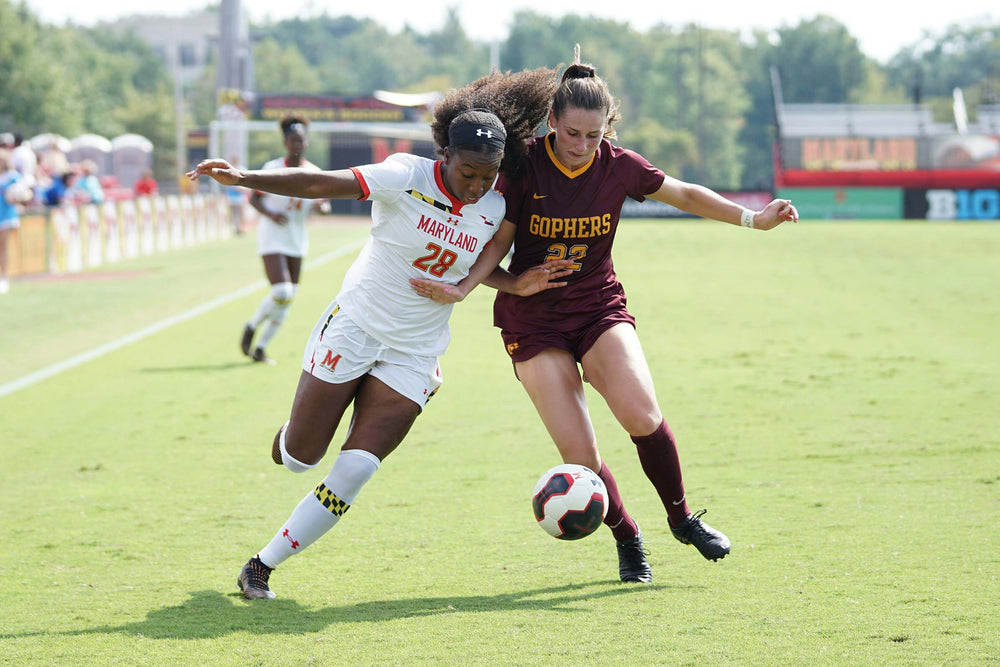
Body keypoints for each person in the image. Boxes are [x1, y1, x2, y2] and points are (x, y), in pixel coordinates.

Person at [411, 53, 798, 583]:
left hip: (597, 308)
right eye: (573, 133)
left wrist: (753, 218)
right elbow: (496, 242)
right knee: (581, 453)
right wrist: (467, 287)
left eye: (594, 136)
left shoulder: (619, 165)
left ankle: (683, 520)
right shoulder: (523, 165)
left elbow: (682, 193)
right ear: (552, 122)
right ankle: (627, 535)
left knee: (642, 414)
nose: (583, 145)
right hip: (533, 322)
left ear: (607, 129)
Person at [186, 67, 566, 600]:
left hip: (415, 353)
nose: (478, 185)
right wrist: (244, 177)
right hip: (356, 329)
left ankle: (261, 566)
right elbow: (324, 183)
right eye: (469, 173)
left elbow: (473, 264)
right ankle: (295, 429)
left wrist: (515, 284)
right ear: (445, 157)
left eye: (489, 174)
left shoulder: (497, 206)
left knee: (358, 466)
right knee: (300, 456)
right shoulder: (404, 175)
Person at [239, 115, 326, 364]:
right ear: (285, 143)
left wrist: (322, 208)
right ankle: (251, 326)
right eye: (292, 140)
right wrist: (271, 214)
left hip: (297, 238)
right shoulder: (272, 168)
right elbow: (254, 198)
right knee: (282, 290)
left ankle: (261, 347)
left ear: (306, 143)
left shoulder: (314, 172)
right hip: (272, 235)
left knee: (289, 298)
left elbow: (322, 204)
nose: (297, 144)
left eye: (301, 140)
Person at [0, 149, 33, 294]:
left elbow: (27, 193)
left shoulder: (12, 177)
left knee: (2, 247)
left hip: (6, 215)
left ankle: (3, 277)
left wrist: (18, 198)